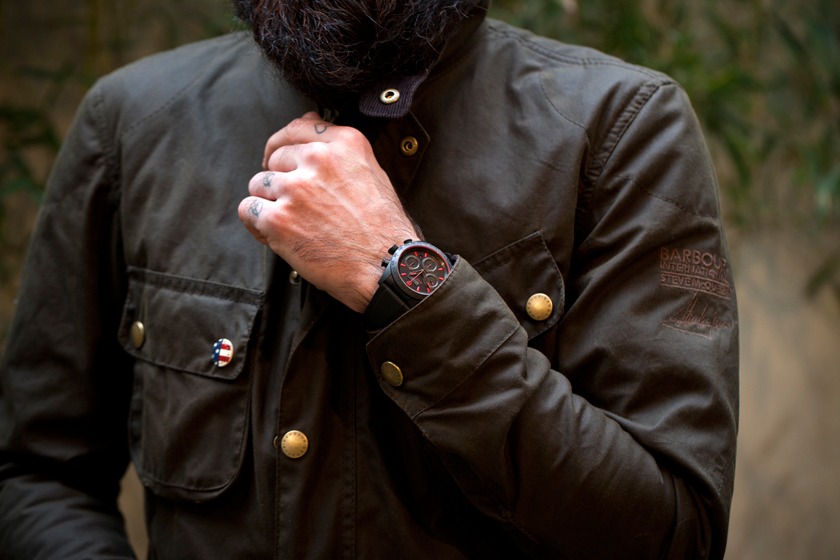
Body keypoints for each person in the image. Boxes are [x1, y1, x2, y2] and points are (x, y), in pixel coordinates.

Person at [0, 0, 739, 558]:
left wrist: (404, 277)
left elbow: (674, 531)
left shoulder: (619, 129)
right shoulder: (132, 122)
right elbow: (36, 473)